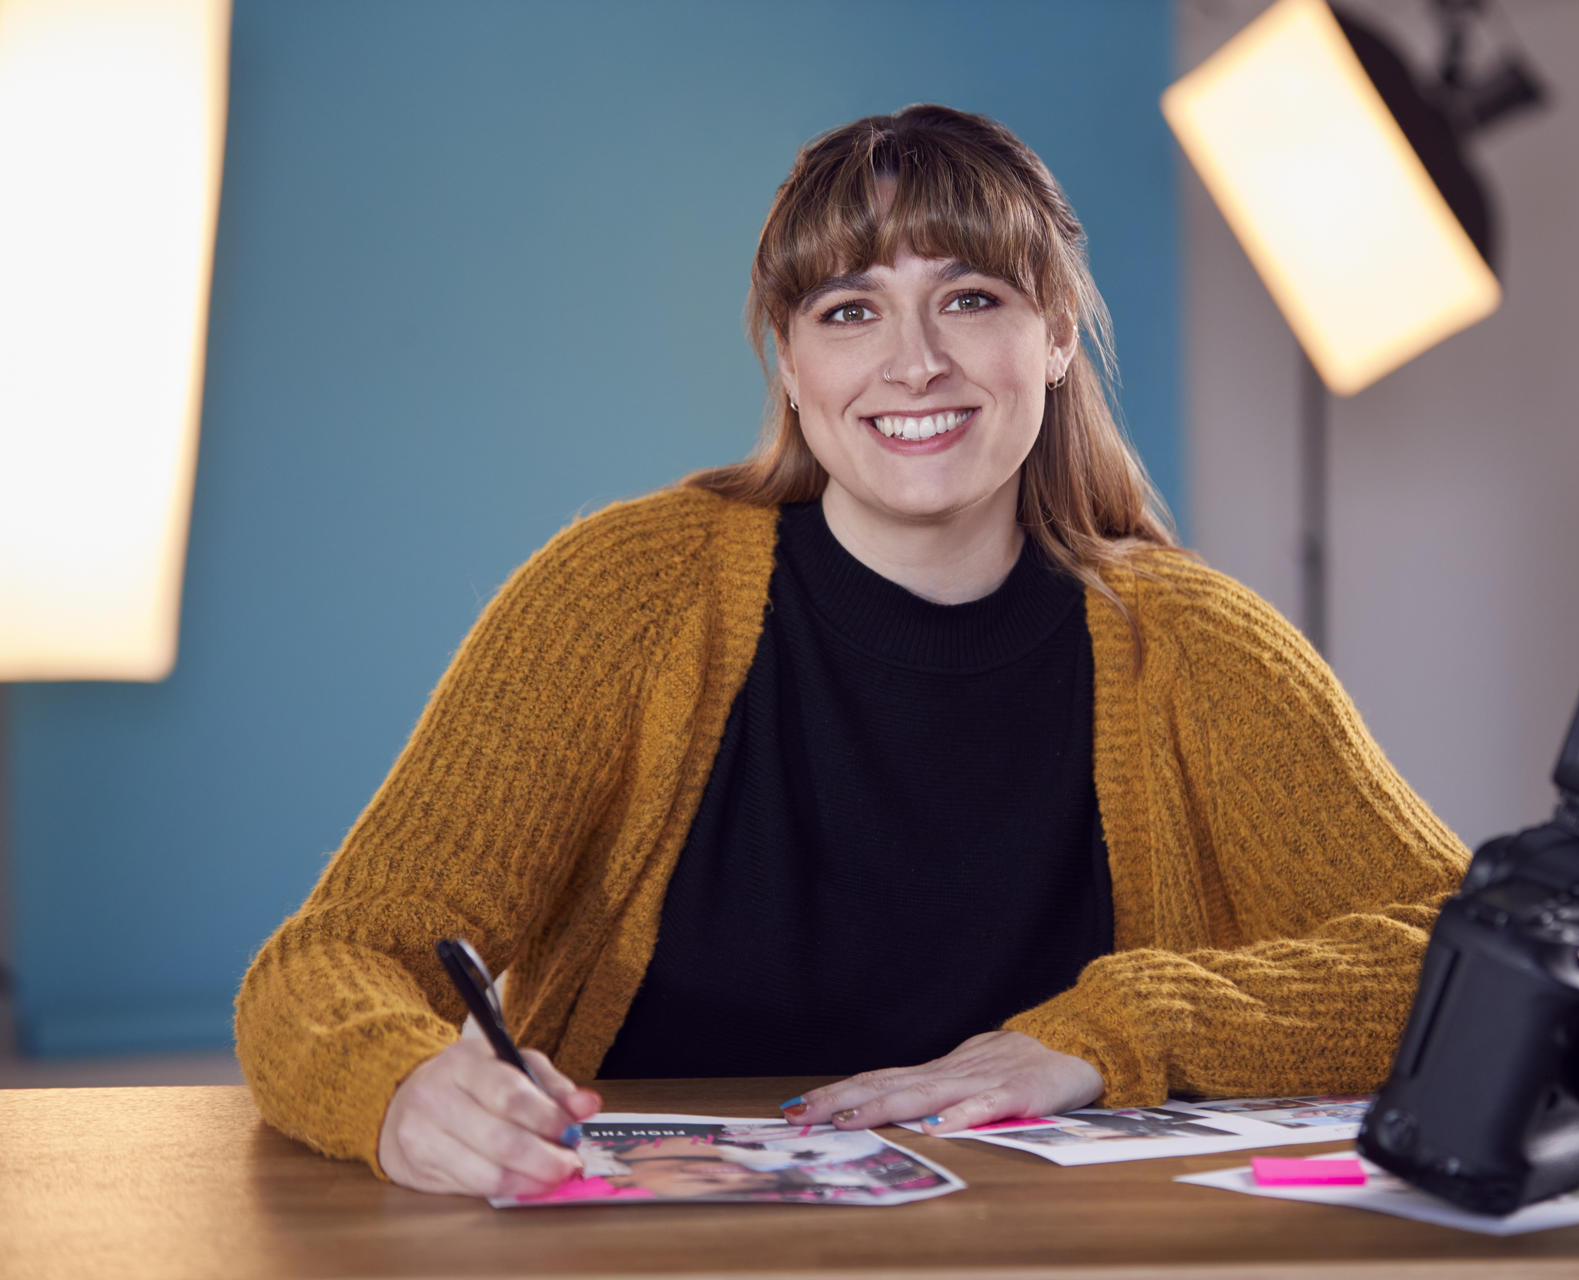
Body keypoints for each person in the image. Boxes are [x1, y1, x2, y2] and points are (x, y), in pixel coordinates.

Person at [234, 103, 1471, 1200]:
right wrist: (400, 1088)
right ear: (790, 359)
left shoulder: (1194, 644)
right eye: (850, 309)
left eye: (972, 299)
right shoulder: (622, 594)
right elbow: (331, 956)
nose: (915, 359)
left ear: (1053, 338)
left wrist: (1124, 1025)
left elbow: (1481, 959)